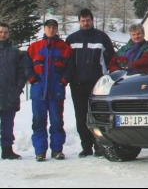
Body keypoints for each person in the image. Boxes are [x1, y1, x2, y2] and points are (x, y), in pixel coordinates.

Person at [65, 9, 116, 158]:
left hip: (97, 83)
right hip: (77, 83)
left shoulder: (102, 38)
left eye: (88, 20)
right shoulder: (71, 39)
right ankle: (86, 147)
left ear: (92, 20)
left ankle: (99, 145)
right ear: (79, 21)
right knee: (81, 116)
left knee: (97, 115)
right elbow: (67, 62)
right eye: (82, 21)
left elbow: (111, 60)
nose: (85, 23)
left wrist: (109, 78)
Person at [26, 19, 74, 161]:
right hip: (38, 92)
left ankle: (57, 150)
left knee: (57, 121)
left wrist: (63, 82)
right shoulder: (34, 47)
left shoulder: (64, 48)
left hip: (56, 92)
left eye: (54, 28)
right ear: (44, 29)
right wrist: (33, 80)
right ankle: (40, 151)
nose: (51, 30)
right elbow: (27, 67)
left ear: (57, 29)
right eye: (48, 27)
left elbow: (70, 68)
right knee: (38, 122)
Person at [0, 22, 29, 160]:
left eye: (5, 32)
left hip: (9, 94)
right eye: (0, 32)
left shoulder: (15, 51)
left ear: (9, 33)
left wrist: (17, 88)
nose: (3, 34)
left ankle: (7, 150)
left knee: (7, 124)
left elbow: (22, 72)